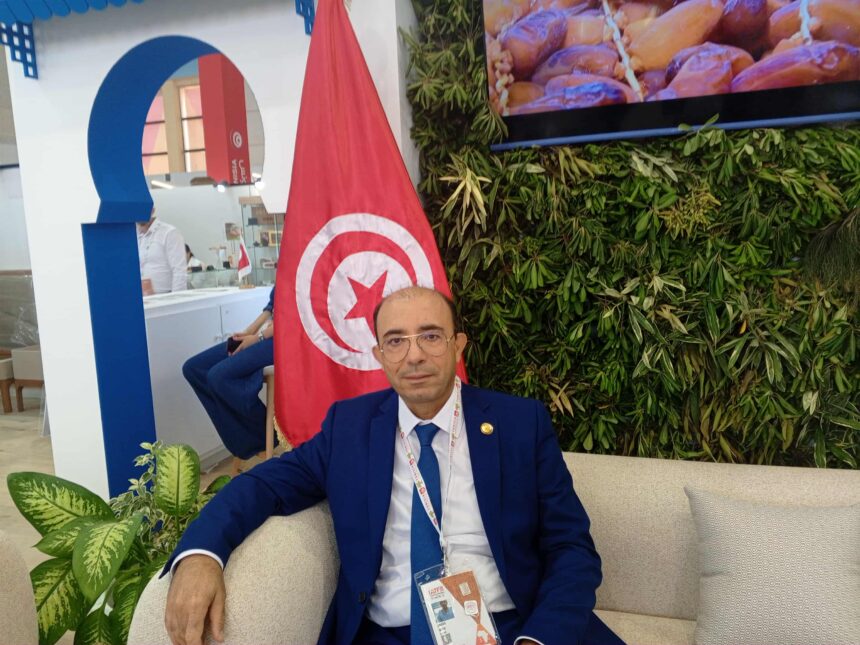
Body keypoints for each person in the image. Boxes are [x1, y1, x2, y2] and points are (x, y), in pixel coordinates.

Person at [164, 286, 625, 645]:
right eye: (396, 341)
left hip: (515, 625)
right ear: (379, 356)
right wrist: (202, 554)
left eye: (431, 336)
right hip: (390, 632)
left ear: (458, 345)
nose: (414, 355)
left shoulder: (519, 423)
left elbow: (571, 547)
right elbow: (263, 485)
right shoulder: (349, 428)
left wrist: (539, 638)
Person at [181, 286, 275, 463]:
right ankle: (245, 440)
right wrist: (250, 331)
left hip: (287, 338)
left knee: (219, 376)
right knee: (194, 369)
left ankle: (266, 434)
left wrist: (259, 337)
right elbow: (272, 305)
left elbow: (297, 314)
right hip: (269, 332)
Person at [137, 210, 188, 294]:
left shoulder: (169, 232)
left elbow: (179, 270)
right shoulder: (133, 235)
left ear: (152, 210)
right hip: (141, 297)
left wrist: (176, 298)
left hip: (165, 296)